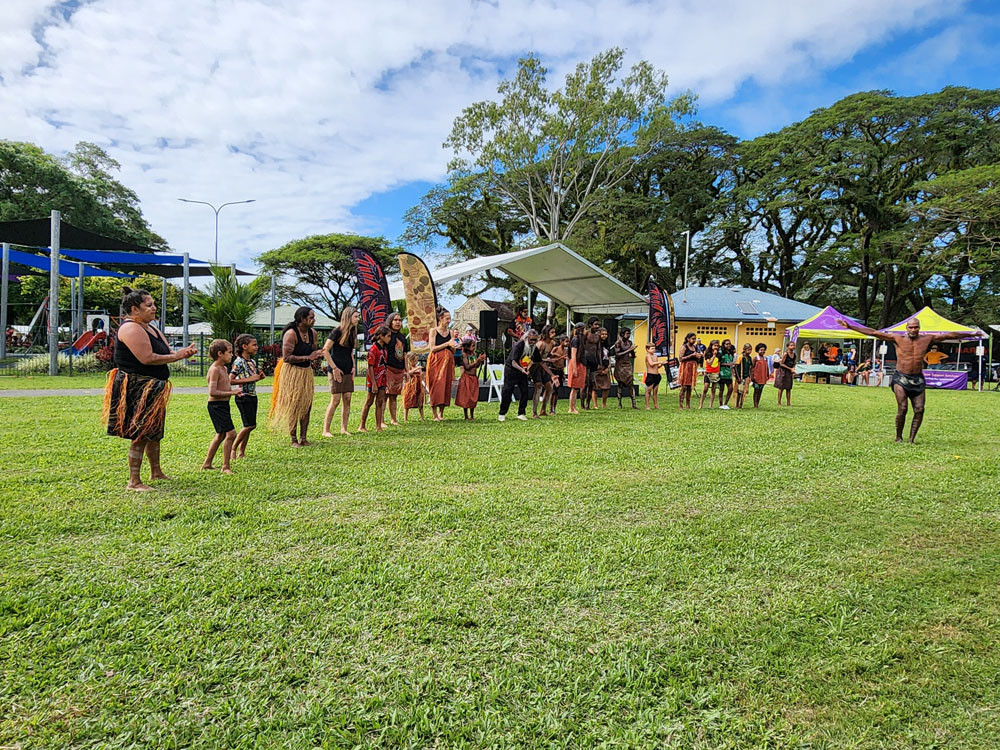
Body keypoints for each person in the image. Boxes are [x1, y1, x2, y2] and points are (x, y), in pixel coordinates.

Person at [103, 287, 197, 491]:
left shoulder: (150, 327)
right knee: (141, 431)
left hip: (154, 386)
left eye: (154, 304)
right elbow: (147, 358)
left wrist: (183, 353)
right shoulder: (131, 328)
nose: (154, 308)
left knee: (154, 431)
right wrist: (178, 356)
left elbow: (167, 352)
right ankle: (134, 481)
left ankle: (156, 472)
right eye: (149, 305)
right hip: (138, 386)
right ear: (134, 309)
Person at [838, 316, 956, 443]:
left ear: (919, 328)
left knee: (919, 409)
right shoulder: (897, 338)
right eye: (911, 327)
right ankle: (898, 437)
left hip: (918, 378)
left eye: (916, 327)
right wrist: (850, 326)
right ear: (906, 328)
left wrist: (971, 333)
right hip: (901, 377)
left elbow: (947, 335)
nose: (913, 329)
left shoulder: (927, 339)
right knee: (903, 407)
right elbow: (873, 332)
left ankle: (911, 439)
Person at [269, 306, 324, 446]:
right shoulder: (291, 334)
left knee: (306, 405)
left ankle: (303, 438)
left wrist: (317, 355)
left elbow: (312, 351)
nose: (314, 320)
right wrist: (308, 357)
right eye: (311, 317)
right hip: (292, 372)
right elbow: (287, 357)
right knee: (294, 404)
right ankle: (293, 439)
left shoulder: (313, 333)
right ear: (302, 319)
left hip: (306, 373)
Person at [202, 339, 241, 474]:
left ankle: (207, 463)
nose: (232, 355)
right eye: (229, 352)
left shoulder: (224, 368)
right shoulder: (215, 370)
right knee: (231, 434)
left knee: (220, 435)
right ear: (220, 353)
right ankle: (225, 466)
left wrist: (234, 392)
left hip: (223, 405)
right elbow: (212, 392)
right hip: (216, 405)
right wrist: (232, 392)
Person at [321, 307, 359, 437]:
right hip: (336, 369)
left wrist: (353, 367)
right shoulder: (337, 331)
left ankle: (344, 428)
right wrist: (334, 368)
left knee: (347, 398)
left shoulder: (353, 332)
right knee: (335, 400)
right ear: (348, 317)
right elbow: (325, 350)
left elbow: (350, 352)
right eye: (356, 316)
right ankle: (326, 430)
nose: (358, 319)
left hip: (348, 369)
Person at [230, 334, 266, 458]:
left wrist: (258, 378)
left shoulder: (252, 362)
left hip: (252, 396)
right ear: (244, 347)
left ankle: (241, 451)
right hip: (243, 396)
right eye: (254, 345)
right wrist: (251, 378)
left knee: (250, 425)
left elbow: (251, 379)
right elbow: (230, 380)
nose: (257, 347)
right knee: (249, 425)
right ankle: (233, 448)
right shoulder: (238, 362)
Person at [498, 328, 536, 422]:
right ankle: (502, 413)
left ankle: (521, 413)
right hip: (511, 370)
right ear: (527, 338)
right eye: (531, 339)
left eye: (535, 340)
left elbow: (535, 360)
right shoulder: (519, 345)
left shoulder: (534, 347)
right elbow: (513, 362)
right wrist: (522, 370)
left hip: (522, 371)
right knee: (507, 391)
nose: (533, 342)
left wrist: (528, 368)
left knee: (525, 391)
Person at [427, 306, 457, 421]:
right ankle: (434, 414)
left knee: (445, 385)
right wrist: (447, 344)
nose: (449, 321)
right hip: (436, 361)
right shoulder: (433, 331)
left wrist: (454, 346)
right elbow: (432, 348)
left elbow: (452, 349)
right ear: (440, 319)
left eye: (450, 319)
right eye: (447, 319)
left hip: (447, 362)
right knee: (436, 385)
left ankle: (441, 413)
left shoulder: (450, 332)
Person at [359, 325, 391, 432]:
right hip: (373, 379)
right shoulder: (373, 349)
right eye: (388, 336)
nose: (389, 338)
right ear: (381, 336)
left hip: (382, 378)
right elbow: (370, 367)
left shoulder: (384, 350)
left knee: (380, 402)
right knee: (369, 401)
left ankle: (378, 426)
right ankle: (362, 426)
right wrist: (373, 383)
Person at [383, 312, 409, 426]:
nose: (398, 322)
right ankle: (381, 420)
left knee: (394, 395)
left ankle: (393, 419)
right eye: (395, 320)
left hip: (399, 369)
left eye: (399, 320)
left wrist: (406, 370)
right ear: (390, 321)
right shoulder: (386, 335)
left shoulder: (402, 337)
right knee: (385, 395)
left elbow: (405, 355)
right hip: (388, 367)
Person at [456, 336, 485, 420]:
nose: (474, 348)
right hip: (467, 378)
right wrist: (477, 361)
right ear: (467, 347)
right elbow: (467, 367)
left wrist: (479, 361)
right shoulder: (464, 355)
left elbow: (477, 366)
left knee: (473, 396)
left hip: (474, 378)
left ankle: (472, 415)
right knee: (466, 396)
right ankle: (466, 416)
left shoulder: (474, 354)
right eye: (472, 346)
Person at [530, 325, 555, 418]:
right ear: (546, 333)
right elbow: (537, 359)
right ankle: (534, 412)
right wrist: (547, 361)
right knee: (538, 387)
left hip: (545, 367)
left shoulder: (552, 343)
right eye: (551, 332)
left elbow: (549, 355)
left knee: (549, 387)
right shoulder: (541, 344)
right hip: (537, 367)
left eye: (554, 332)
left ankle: (543, 410)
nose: (554, 334)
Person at [613, 327, 637, 409]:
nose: (629, 335)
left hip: (627, 364)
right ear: (622, 334)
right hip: (620, 365)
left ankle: (634, 404)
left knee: (630, 383)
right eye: (627, 333)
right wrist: (629, 350)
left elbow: (632, 354)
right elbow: (617, 355)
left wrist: (633, 352)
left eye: (629, 333)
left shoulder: (630, 342)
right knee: (620, 384)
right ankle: (619, 403)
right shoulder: (618, 343)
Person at [401, 351, 428, 422]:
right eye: (414, 361)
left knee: (420, 401)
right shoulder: (408, 367)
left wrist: (422, 374)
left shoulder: (417, 367)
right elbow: (408, 373)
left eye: (417, 361)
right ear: (410, 360)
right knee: (407, 401)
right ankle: (405, 418)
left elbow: (421, 374)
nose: (416, 362)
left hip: (418, 385)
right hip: (410, 385)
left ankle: (422, 418)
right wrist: (416, 369)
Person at [677, 332, 700, 410]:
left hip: (693, 368)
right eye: (692, 339)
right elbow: (680, 358)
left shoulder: (695, 347)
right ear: (688, 339)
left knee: (690, 387)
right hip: (686, 367)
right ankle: (681, 405)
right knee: (684, 386)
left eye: (695, 339)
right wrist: (691, 355)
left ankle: (688, 404)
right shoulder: (684, 347)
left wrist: (698, 356)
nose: (694, 340)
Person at [567, 323, 586, 415]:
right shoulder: (575, 339)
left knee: (577, 387)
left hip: (579, 363)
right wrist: (575, 369)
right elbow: (573, 355)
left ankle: (573, 406)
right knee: (574, 388)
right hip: (576, 364)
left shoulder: (580, 340)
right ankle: (571, 408)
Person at [548, 334, 569, 414]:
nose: (567, 343)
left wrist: (563, 373)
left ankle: (554, 407)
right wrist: (559, 356)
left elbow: (563, 362)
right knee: (553, 390)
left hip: (560, 370)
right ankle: (550, 408)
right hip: (553, 370)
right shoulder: (556, 348)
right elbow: (551, 356)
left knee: (557, 391)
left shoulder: (565, 351)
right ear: (561, 341)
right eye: (566, 341)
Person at [699, 340, 721, 409]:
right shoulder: (708, 353)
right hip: (708, 372)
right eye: (714, 345)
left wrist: (718, 372)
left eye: (717, 346)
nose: (716, 347)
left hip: (715, 373)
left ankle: (710, 405)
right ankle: (701, 405)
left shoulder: (719, 354)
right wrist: (714, 355)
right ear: (711, 346)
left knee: (713, 389)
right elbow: (709, 363)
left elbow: (719, 364)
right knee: (705, 388)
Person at [593, 327, 612, 408]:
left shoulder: (607, 345)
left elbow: (609, 356)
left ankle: (604, 403)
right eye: (602, 334)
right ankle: (595, 404)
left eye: (606, 334)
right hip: (597, 367)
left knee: (607, 386)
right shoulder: (595, 344)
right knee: (595, 387)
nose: (604, 336)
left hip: (605, 366)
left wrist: (608, 367)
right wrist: (598, 366)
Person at [774, 340, 797, 406]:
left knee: (788, 388)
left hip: (789, 372)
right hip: (783, 372)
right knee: (781, 387)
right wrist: (790, 369)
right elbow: (782, 364)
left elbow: (794, 362)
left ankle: (788, 403)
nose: (793, 347)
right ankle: (779, 402)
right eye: (791, 345)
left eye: (794, 345)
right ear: (788, 347)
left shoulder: (794, 355)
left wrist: (793, 368)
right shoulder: (785, 354)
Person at [733, 343, 753, 409]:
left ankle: (741, 404)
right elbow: (736, 366)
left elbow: (750, 367)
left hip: (746, 376)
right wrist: (738, 377)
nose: (749, 351)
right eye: (748, 350)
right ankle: (737, 404)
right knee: (739, 391)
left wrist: (750, 376)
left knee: (744, 391)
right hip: (740, 376)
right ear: (744, 350)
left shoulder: (749, 358)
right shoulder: (741, 356)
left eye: (750, 350)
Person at [751, 343, 770, 408]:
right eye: (761, 350)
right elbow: (752, 367)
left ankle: (758, 403)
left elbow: (767, 367)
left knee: (760, 390)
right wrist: (752, 376)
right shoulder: (756, 358)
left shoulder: (765, 358)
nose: (762, 351)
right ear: (757, 350)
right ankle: (755, 404)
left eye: (764, 350)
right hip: (756, 377)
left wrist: (767, 375)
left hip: (763, 377)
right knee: (756, 390)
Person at [644, 342, 662, 410]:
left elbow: (657, 366)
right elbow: (651, 364)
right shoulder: (648, 356)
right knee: (648, 391)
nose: (653, 350)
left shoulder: (655, 356)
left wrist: (662, 364)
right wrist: (659, 362)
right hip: (650, 375)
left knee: (655, 392)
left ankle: (656, 405)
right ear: (647, 349)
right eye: (652, 349)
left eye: (654, 348)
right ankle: (647, 406)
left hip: (656, 375)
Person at [718, 339, 735, 409]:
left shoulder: (731, 353)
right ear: (723, 345)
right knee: (721, 389)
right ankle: (721, 404)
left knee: (730, 388)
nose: (728, 345)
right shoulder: (721, 352)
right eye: (726, 344)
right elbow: (718, 363)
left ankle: (726, 403)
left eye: (729, 344)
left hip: (728, 373)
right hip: (722, 373)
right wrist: (727, 364)